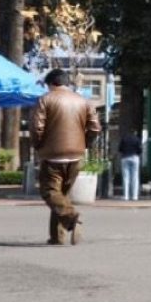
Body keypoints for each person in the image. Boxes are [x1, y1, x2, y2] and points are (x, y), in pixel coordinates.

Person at [31, 69, 101, 246]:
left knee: (50, 192)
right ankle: (57, 236)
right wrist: (84, 143)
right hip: (75, 156)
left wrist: (38, 145)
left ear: (52, 83)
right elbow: (95, 128)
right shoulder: (83, 101)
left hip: (53, 154)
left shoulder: (45, 99)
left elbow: (37, 128)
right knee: (62, 196)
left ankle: (72, 217)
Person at [118, 132, 142, 201]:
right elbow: (140, 150)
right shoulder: (137, 139)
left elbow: (120, 149)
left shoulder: (124, 139)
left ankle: (126, 196)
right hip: (134, 157)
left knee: (126, 178)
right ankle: (134, 196)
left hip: (125, 157)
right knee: (135, 178)